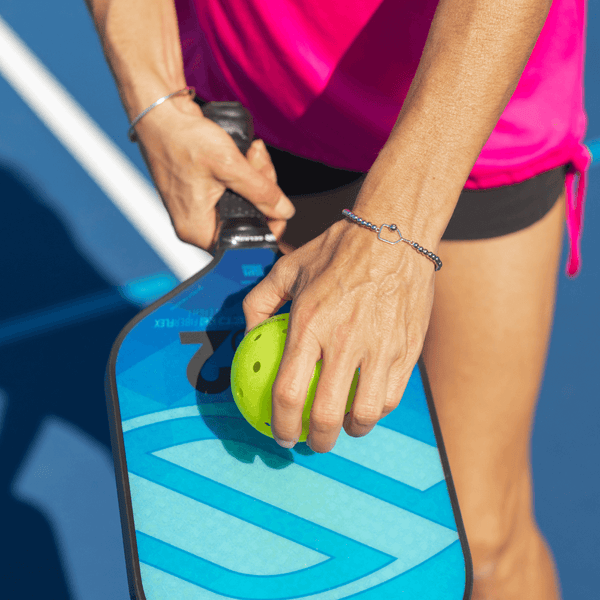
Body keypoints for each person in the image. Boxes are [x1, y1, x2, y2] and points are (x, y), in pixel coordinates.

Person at [86, 0, 592, 597]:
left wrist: (393, 232)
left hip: (474, 101)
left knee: (481, 542)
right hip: (265, 96)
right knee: (329, 516)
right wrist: (154, 101)